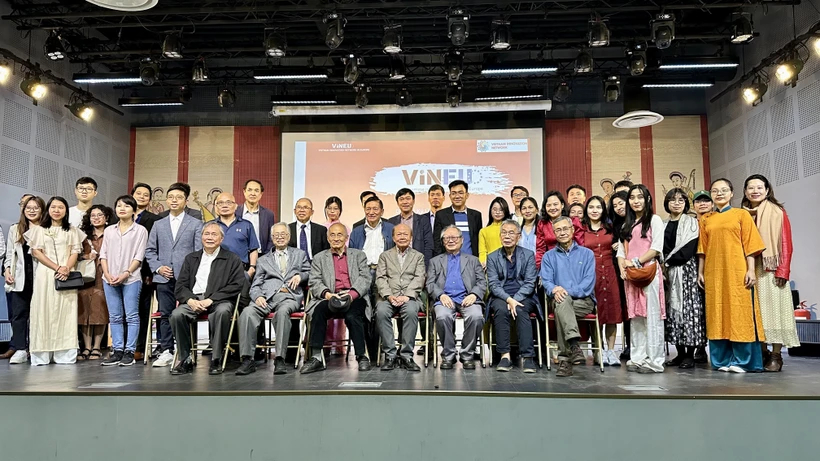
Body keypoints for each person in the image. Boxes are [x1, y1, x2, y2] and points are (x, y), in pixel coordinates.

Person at [698, 178, 766, 373]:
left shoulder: (741, 214)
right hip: (714, 272)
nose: (719, 194)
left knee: (739, 313)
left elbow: (750, 245)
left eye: (724, 190)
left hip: (737, 271)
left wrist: (751, 269)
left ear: (732, 193)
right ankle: (722, 360)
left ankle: (744, 361)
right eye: (715, 191)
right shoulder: (706, 219)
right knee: (717, 313)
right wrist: (700, 272)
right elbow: (702, 248)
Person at [169, 222, 246, 375]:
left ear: (221, 239)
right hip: (194, 299)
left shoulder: (232, 259)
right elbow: (180, 286)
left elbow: (236, 285)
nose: (209, 237)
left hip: (220, 300)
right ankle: (185, 358)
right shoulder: (191, 258)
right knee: (177, 315)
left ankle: (216, 358)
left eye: (214, 234)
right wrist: (190, 300)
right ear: (201, 237)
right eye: (206, 234)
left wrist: (212, 299)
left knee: (222, 312)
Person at [236, 223, 311, 376]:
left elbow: (310, 273)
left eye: (283, 234)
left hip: (289, 296)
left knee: (282, 314)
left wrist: (300, 276)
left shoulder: (299, 254)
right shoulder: (263, 260)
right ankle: (247, 359)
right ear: (272, 238)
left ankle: (280, 358)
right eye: (276, 235)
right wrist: (258, 296)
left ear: (289, 236)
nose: (280, 237)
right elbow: (255, 284)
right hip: (267, 297)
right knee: (247, 313)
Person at [742, 174, 798, 372]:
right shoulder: (742, 214)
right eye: (751, 187)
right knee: (756, 313)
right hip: (749, 268)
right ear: (745, 191)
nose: (755, 191)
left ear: (767, 191)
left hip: (771, 268)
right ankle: (762, 352)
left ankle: (776, 355)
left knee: (775, 313)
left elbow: (786, 242)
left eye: (759, 187)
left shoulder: (777, 212)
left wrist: (783, 269)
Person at [144, 182, 204, 367]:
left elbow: (198, 251)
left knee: (187, 313)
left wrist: (190, 272)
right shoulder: (158, 224)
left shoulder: (195, 223)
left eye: (179, 197)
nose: (174, 200)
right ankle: (167, 350)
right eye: (171, 197)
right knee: (165, 314)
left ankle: (188, 350)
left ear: (186, 201)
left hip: (187, 278)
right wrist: (158, 268)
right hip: (164, 277)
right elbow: (150, 250)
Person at [300, 223, 372, 374]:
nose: (336, 238)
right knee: (318, 312)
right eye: (332, 235)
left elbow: (365, 278)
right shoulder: (319, 258)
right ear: (328, 238)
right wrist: (327, 294)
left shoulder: (358, 255)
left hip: (353, 296)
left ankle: (361, 356)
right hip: (330, 296)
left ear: (346, 238)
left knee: (353, 316)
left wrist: (351, 295)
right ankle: (316, 357)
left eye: (340, 235)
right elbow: (314, 281)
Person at [25, 196, 86, 365]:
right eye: (53, 207)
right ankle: (42, 354)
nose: (57, 210)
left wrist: (66, 268)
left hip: (66, 274)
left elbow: (75, 251)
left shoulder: (72, 230)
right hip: (45, 274)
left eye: (61, 207)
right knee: (42, 309)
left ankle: (64, 353)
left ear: (66, 210)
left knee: (66, 311)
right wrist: (57, 267)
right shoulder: (39, 229)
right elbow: (37, 252)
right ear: (48, 210)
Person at [617, 184, 666, 374]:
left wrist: (635, 262)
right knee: (636, 316)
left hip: (649, 272)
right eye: (632, 198)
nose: (636, 201)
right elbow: (621, 251)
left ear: (647, 199)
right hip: (631, 275)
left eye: (640, 197)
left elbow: (656, 248)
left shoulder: (654, 220)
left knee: (652, 317)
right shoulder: (626, 225)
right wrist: (622, 266)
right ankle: (637, 358)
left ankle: (654, 361)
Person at [540, 216, 597, 377]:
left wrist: (564, 291)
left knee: (562, 306)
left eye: (565, 229)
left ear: (572, 230)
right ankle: (573, 346)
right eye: (558, 230)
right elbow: (547, 281)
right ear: (554, 233)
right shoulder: (548, 256)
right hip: (558, 300)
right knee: (562, 304)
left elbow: (587, 284)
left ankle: (565, 359)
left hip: (583, 302)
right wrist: (554, 289)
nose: (562, 232)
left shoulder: (587, 254)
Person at [427, 225, 486, 370]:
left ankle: (467, 354)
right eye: (447, 238)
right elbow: (429, 283)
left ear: (462, 240)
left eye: (454, 237)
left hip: (467, 298)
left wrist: (474, 294)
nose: (450, 240)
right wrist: (440, 295)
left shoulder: (473, 260)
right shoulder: (435, 261)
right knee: (442, 317)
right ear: (442, 241)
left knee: (476, 316)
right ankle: (449, 355)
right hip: (444, 299)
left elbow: (482, 282)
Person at [99, 196, 148, 367]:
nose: (122, 208)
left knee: (132, 316)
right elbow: (103, 254)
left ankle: (129, 351)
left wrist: (126, 273)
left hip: (131, 278)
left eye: (126, 206)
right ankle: (117, 350)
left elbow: (139, 256)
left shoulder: (140, 230)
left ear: (134, 210)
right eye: (119, 205)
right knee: (115, 316)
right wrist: (107, 273)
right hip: (109, 278)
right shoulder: (109, 230)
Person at [486, 220, 540, 373]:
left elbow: (530, 283)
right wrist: (509, 300)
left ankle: (528, 357)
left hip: (524, 295)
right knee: (501, 310)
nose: (507, 236)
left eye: (511, 233)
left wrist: (515, 299)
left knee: (521, 310)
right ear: (500, 236)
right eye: (504, 233)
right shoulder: (493, 257)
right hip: (501, 296)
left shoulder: (528, 255)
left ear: (518, 237)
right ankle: (505, 356)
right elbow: (494, 285)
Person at [662, 188, 705, 369]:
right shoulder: (662, 224)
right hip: (668, 273)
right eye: (673, 200)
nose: (677, 203)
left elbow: (688, 250)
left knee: (689, 313)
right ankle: (679, 354)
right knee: (673, 312)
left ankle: (689, 354)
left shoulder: (692, 223)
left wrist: (666, 262)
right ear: (667, 203)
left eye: (681, 200)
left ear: (686, 203)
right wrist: (663, 265)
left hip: (687, 273)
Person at [374, 223, 425, 371]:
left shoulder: (418, 256)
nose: (402, 237)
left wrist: (407, 296)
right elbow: (380, 278)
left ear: (411, 237)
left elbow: (419, 278)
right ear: (393, 237)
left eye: (405, 234)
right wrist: (389, 295)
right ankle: (390, 355)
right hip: (388, 297)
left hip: (409, 298)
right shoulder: (385, 256)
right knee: (381, 312)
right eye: (399, 234)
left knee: (410, 311)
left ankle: (406, 355)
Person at [349, 196, 395, 359]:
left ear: (382, 211)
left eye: (375, 208)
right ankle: (368, 351)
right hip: (363, 273)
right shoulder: (356, 231)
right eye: (368, 209)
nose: (371, 212)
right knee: (364, 310)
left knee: (380, 310)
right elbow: (351, 256)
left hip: (384, 274)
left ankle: (380, 349)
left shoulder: (390, 228)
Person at [581, 196, 622, 367]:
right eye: (591, 207)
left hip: (610, 273)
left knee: (612, 313)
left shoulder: (611, 228)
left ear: (604, 210)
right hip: (591, 275)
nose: (595, 210)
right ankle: (599, 350)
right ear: (586, 210)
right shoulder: (581, 230)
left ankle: (611, 351)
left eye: (598, 207)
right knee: (596, 313)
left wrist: (619, 245)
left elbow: (624, 244)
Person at [3, 196, 44, 364]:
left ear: (42, 210)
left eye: (36, 208)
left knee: (38, 315)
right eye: (28, 208)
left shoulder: (46, 228)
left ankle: (35, 348)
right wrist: (7, 270)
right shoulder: (16, 229)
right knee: (18, 315)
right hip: (20, 278)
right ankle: (20, 349)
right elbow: (10, 253)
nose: (32, 211)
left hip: (40, 277)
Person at [77, 205, 113, 361]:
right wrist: (85, 256)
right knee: (84, 311)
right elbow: (73, 253)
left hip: (104, 274)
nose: (96, 218)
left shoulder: (112, 233)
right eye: (93, 215)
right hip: (86, 276)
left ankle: (97, 346)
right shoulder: (82, 235)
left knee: (100, 310)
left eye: (100, 215)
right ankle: (86, 347)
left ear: (107, 218)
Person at [131, 182, 160, 361]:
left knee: (143, 309)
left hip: (144, 272)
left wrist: (150, 272)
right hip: (121, 271)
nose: (141, 197)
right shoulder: (120, 216)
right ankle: (123, 345)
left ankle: (139, 346)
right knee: (125, 310)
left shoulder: (155, 219)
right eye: (138, 193)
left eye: (145, 195)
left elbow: (154, 247)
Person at [322, 196, 349, 353]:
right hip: (327, 274)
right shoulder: (322, 228)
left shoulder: (345, 228)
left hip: (341, 274)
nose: (332, 211)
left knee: (342, 312)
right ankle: (325, 345)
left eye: (336, 208)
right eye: (330, 208)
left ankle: (339, 346)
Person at [433, 180, 483, 257]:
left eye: (460, 193)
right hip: (448, 260)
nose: (457, 196)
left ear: (467, 195)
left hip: (471, 260)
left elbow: (479, 242)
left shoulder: (476, 215)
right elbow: (437, 242)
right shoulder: (441, 215)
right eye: (453, 193)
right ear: (450, 196)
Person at [609, 190, 631, 361]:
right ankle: (629, 345)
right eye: (615, 205)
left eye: (621, 203)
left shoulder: (638, 221)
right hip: (620, 270)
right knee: (626, 308)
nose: (618, 207)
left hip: (639, 267)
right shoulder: (614, 225)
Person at [535, 190, 583, 268]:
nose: (552, 208)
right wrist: (540, 267)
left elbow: (580, 245)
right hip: (551, 263)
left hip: (573, 261)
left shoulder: (574, 221)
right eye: (549, 205)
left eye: (555, 204)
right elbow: (540, 249)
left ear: (562, 205)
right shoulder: (542, 224)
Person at [387, 188, 434, 265]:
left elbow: (428, 245)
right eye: (401, 199)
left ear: (413, 201)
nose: (405, 202)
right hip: (396, 264)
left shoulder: (423, 220)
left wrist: (425, 265)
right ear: (397, 203)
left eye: (408, 198)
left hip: (418, 263)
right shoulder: (391, 221)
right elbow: (389, 245)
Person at [236, 179, 276, 255]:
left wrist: (266, 256)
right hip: (238, 256)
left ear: (261, 194)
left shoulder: (268, 214)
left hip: (261, 256)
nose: (253, 193)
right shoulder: (235, 212)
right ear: (244, 192)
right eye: (250, 190)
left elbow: (271, 238)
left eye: (256, 190)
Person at [288, 198, 330, 262]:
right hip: (294, 264)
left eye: (305, 207)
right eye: (299, 207)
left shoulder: (321, 230)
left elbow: (326, 252)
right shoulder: (287, 229)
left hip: (315, 264)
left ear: (312, 212)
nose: (302, 210)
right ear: (294, 211)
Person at [479, 197, 512, 266]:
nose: (497, 212)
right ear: (490, 210)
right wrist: (483, 263)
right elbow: (482, 252)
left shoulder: (511, 228)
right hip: (491, 266)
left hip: (509, 264)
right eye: (495, 209)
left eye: (501, 210)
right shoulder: (483, 231)